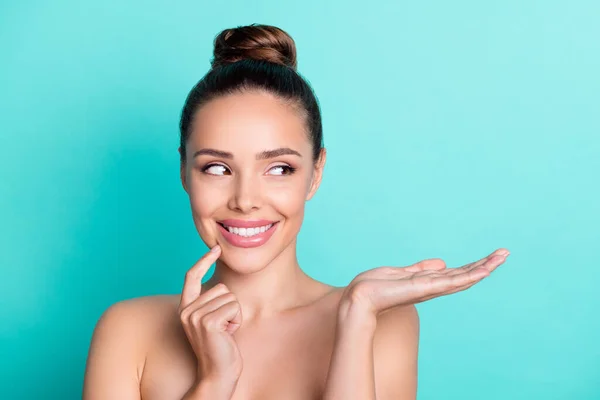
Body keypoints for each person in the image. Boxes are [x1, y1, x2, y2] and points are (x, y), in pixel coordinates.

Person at [82, 23, 509, 400]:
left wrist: (356, 317)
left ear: (316, 173)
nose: (245, 199)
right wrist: (215, 381)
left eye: (279, 168)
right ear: (183, 171)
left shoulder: (382, 321)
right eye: (217, 167)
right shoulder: (129, 332)